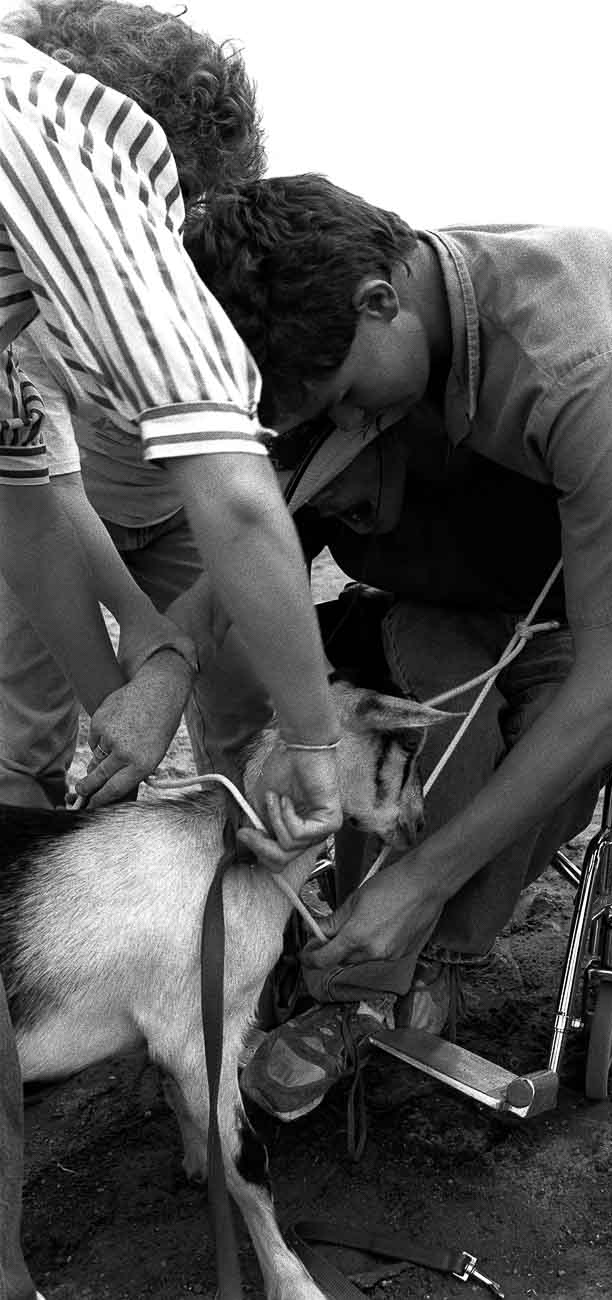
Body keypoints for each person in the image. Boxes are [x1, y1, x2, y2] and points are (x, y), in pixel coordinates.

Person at [184, 174, 612, 1300]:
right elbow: (256, 531)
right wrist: (162, 669)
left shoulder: (576, 355)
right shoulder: (432, 310)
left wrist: (419, 885)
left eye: (346, 396)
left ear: (376, 298)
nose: (351, 427)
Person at [0, 12, 340, 1300]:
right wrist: (314, 745)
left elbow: (29, 506)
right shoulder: (68, 136)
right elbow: (239, 497)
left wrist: (144, 673)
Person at [238, 413, 607, 1114]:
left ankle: (435, 957)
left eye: (334, 491)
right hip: (429, 618)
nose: (331, 513)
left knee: (556, 758)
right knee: (450, 744)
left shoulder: (502, 427)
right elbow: (256, 563)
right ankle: (361, 991)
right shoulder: (314, 484)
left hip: (578, 625)